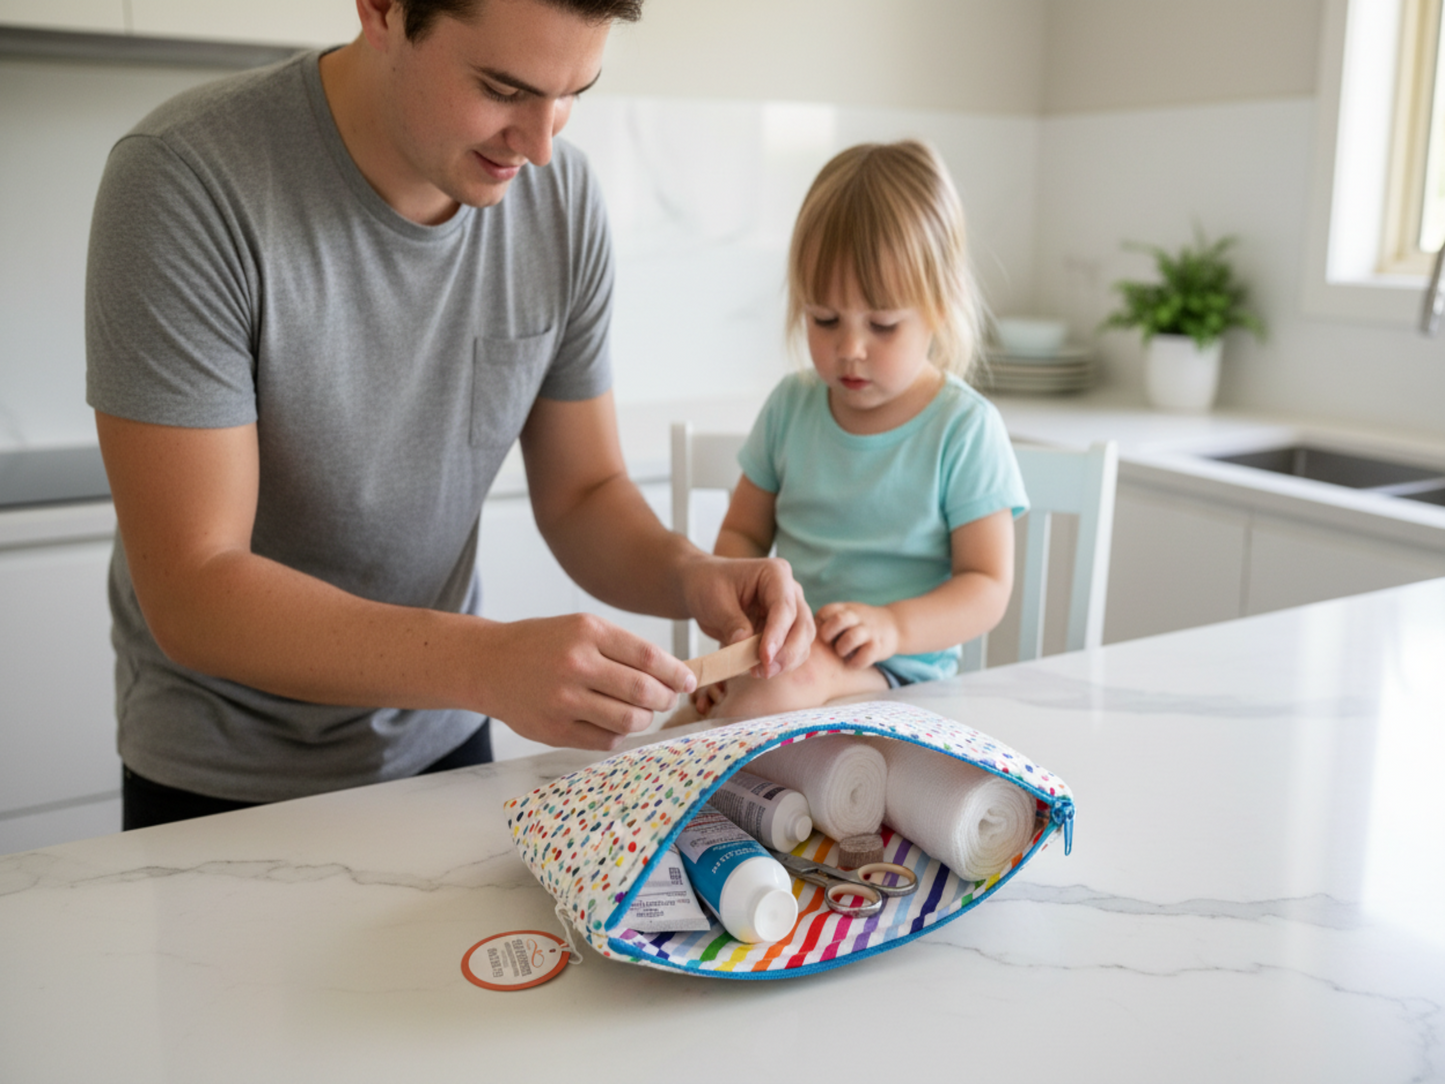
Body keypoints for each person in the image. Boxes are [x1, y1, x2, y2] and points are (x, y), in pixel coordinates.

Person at [84, 0, 812, 830]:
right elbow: (195, 589)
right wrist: (490, 661)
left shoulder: (558, 198)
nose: (540, 145)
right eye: (504, 89)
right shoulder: (187, 181)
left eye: (573, 93)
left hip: (444, 743)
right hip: (218, 779)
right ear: (382, 11)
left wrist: (689, 577)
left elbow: (584, 491)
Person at [689, 139, 1027, 721]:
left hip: (900, 674)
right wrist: (743, 633)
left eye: (883, 324)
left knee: (761, 703)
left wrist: (894, 626)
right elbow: (742, 536)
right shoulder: (791, 407)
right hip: (788, 656)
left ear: (940, 308)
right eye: (825, 319)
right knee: (679, 724)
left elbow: (986, 584)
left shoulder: (964, 429)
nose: (850, 349)